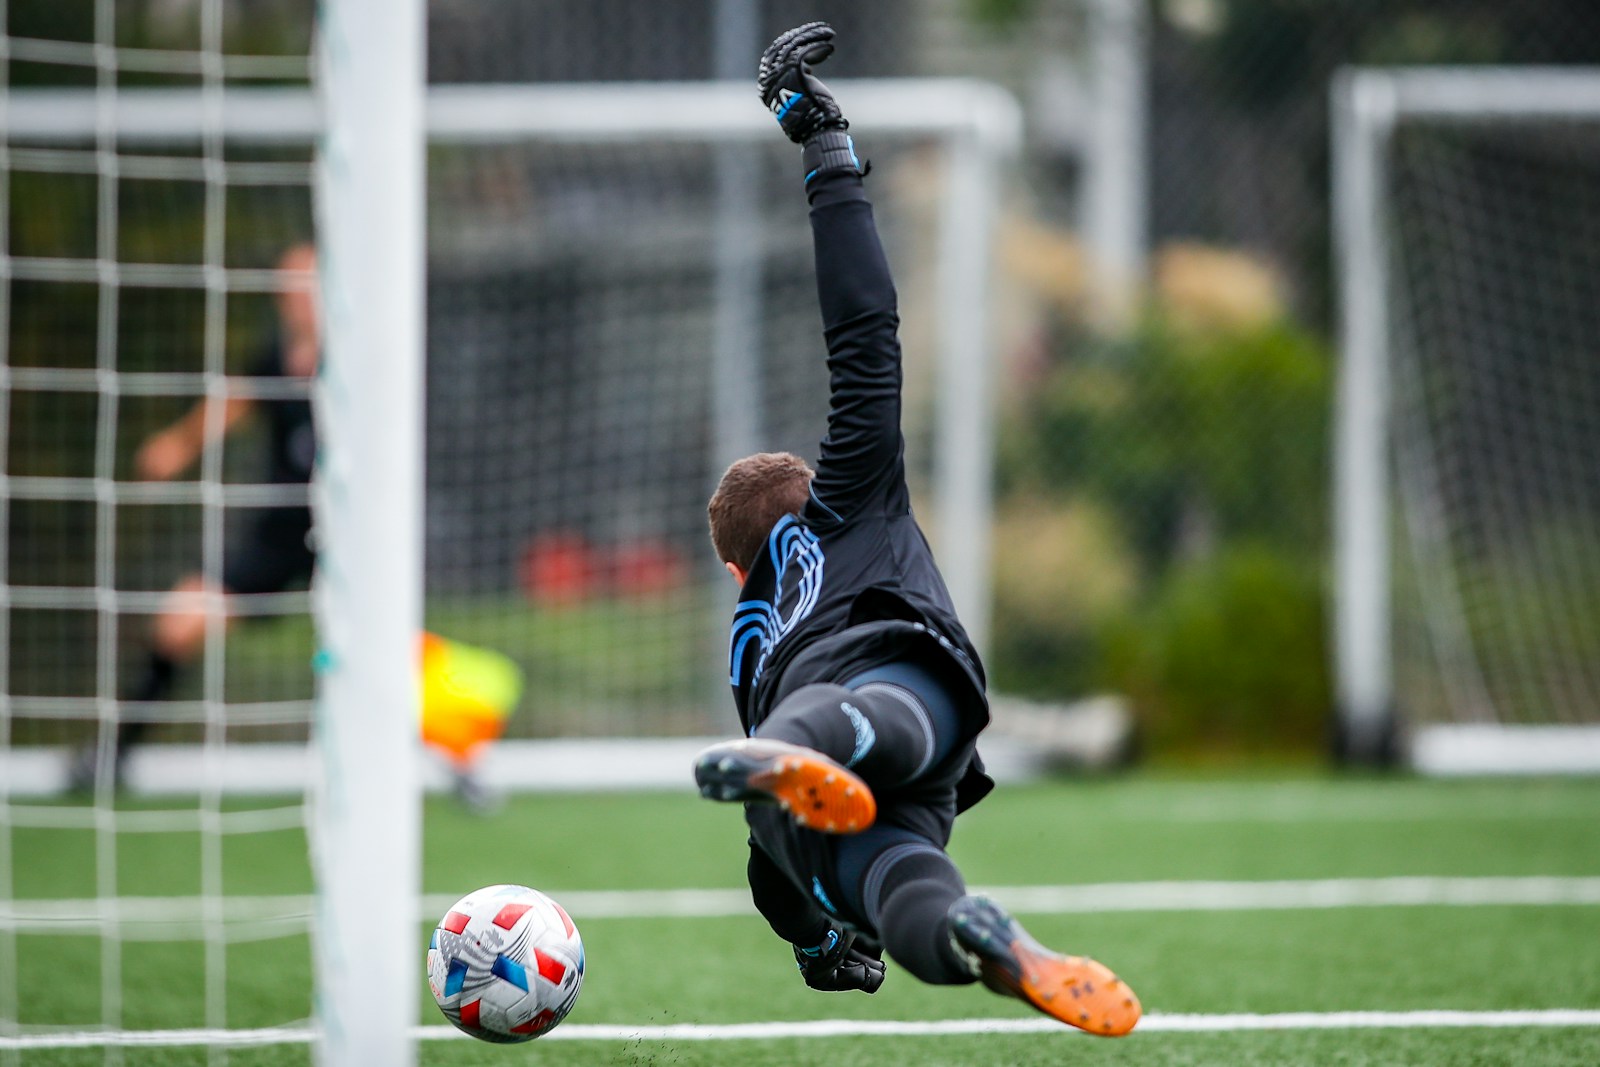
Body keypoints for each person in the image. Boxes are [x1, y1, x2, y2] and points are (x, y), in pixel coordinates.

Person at [692, 24, 1141, 1037]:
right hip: (907, 693)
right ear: (812, 494)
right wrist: (825, 148)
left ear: (733, 569)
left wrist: (818, 948)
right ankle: (856, 796)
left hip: (797, 785)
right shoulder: (850, 499)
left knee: (895, 898)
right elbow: (864, 336)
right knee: (881, 724)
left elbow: (769, 881)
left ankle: (930, 900)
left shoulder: (747, 647)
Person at [68, 244, 320, 793]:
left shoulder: (361, 366)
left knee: (397, 651)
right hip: (279, 537)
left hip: (350, 545)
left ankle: (463, 757)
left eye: (308, 285)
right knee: (179, 618)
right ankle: (114, 755)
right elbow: (232, 399)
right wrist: (177, 446)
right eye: (289, 286)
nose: (297, 298)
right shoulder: (274, 359)